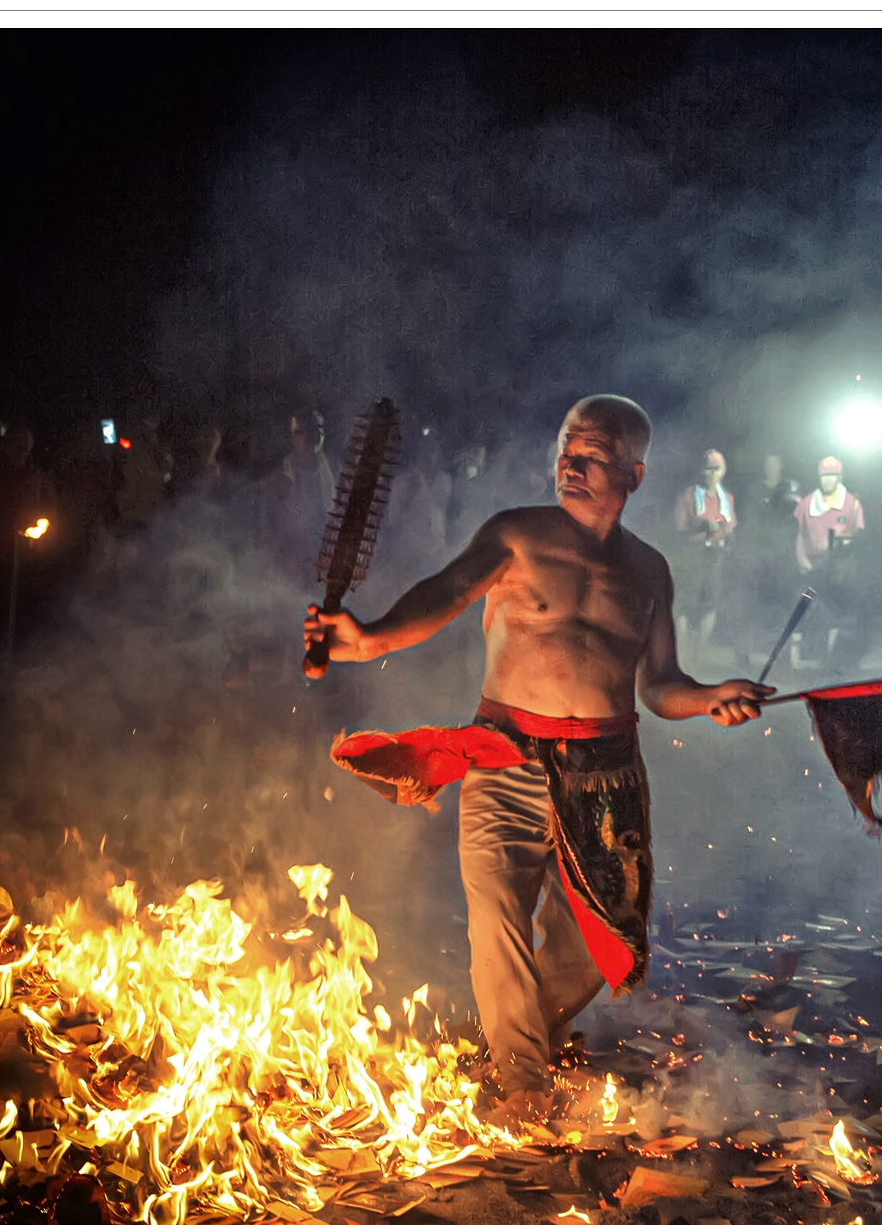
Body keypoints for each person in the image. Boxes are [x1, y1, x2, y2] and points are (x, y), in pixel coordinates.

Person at [304, 395, 771, 1124]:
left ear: (634, 474)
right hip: (507, 756)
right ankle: (522, 1081)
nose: (571, 466)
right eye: (565, 452)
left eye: (592, 457)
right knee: (498, 917)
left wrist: (712, 697)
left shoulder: (650, 570)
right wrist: (371, 639)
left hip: (608, 775)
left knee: (598, 943)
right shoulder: (517, 536)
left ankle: (513, 1037)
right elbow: (445, 592)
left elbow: (661, 686)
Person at [793, 455, 866, 667]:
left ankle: (829, 661)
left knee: (833, 613)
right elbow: (799, 534)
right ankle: (802, 659)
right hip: (811, 568)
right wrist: (802, 560)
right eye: (824, 475)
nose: (828, 479)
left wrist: (840, 544)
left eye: (832, 475)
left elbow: (858, 537)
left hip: (837, 572)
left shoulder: (852, 504)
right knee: (806, 610)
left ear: (839, 477)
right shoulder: (807, 503)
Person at [670, 449, 736, 669]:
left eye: (716, 469)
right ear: (701, 470)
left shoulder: (726, 498)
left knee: (710, 605)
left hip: (715, 556)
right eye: (708, 468)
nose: (712, 473)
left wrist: (725, 537)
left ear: (723, 471)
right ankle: (682, 657)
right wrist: (703, 526)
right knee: (684, 605)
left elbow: (730, 527)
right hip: (692, 554)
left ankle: (698, 659)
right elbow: (679, 528)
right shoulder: (689, 495)